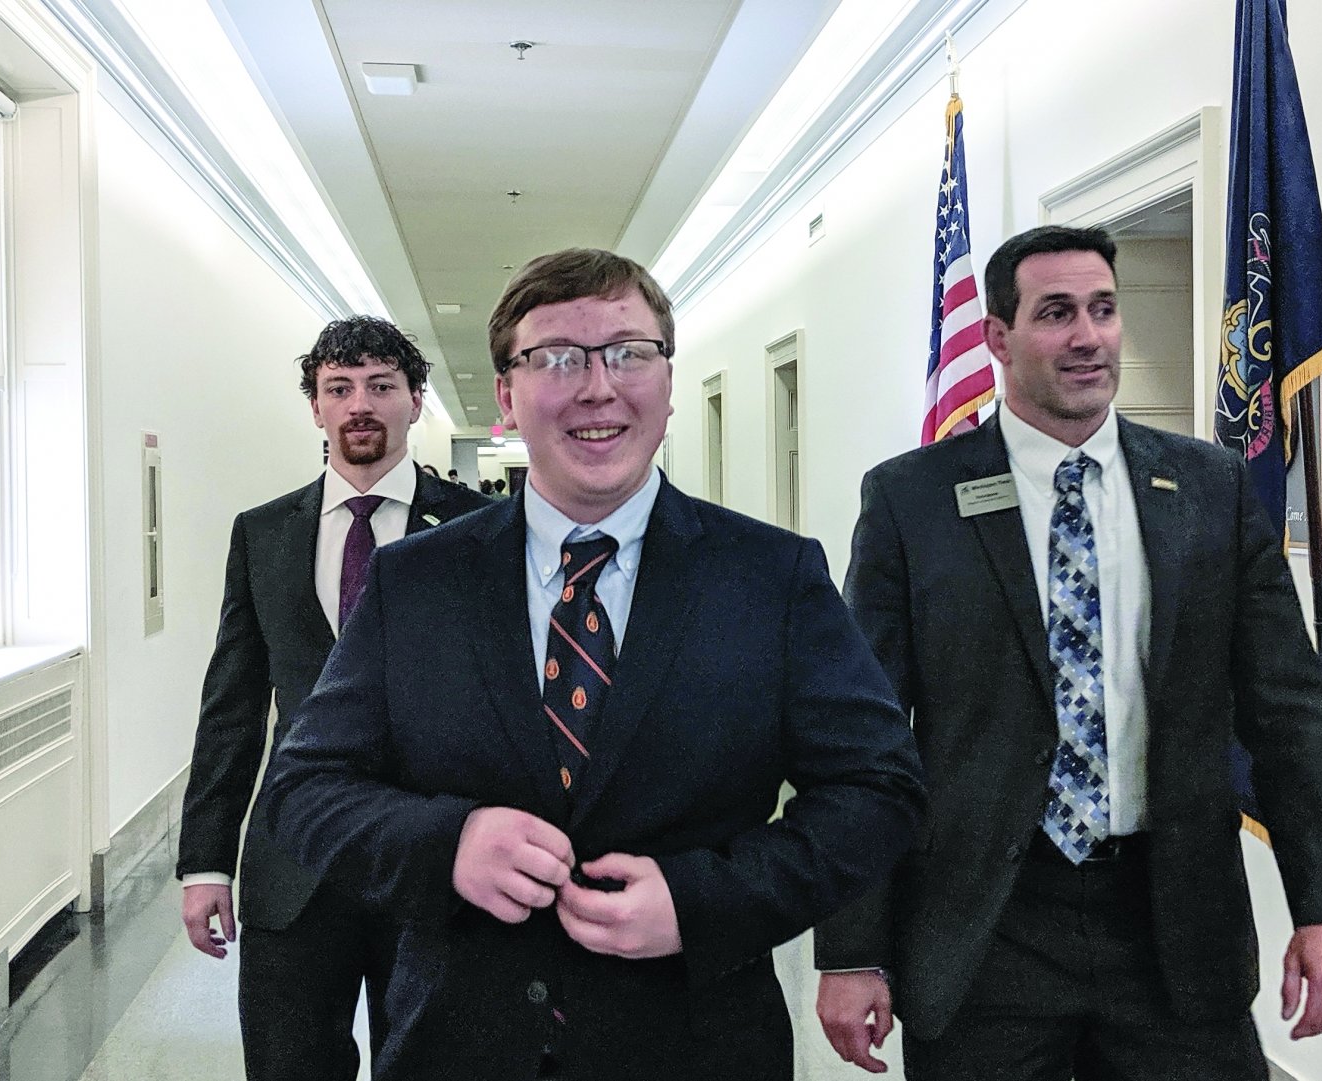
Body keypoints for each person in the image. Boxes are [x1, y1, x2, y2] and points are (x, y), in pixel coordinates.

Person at [263, 248, 925, 1081]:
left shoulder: (771, 577)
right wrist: (447, 843)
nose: (597, 387)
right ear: (507, 393)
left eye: (627, 352)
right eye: (557, 359)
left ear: (669, 383)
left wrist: (701, 900)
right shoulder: (417, 581)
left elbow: (880, 790)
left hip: (697, 1045)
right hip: (457, 1043)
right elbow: (304, 785)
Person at [813, 225, 1322, 1081]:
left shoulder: (1208, 490)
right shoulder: (911, 501)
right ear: (997, 337)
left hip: (1171, 918)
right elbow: (866, 740)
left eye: (1103, 310)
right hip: (987, 922)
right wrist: (850, 948)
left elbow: (1290, 709)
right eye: (1056, 313)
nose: (1087, 337)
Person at [176, 315, 493, 1081]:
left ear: (415, 401)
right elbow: (233, 702)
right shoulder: (263, 535)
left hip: (432, 856)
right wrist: (205, 861)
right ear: (315, 406)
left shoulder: (479, 529)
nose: (361, 404)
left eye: (382, 386)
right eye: (339, 387)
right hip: (295, 863)